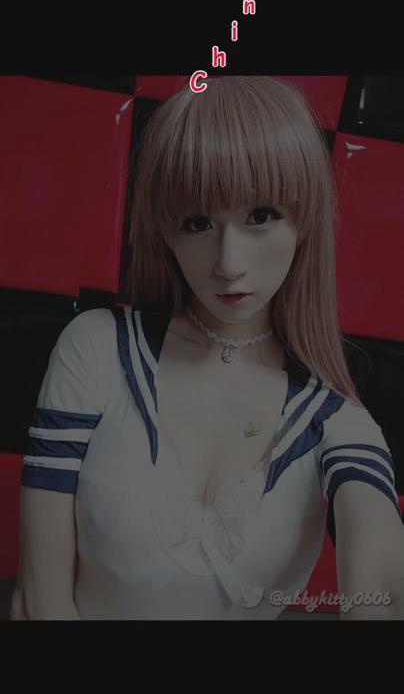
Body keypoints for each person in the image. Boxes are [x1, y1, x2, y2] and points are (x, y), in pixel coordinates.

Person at [10, 76, 404, 620]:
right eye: (198, 223)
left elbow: (382, 585)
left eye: (260, 216)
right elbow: (39, 598)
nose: (228, 263)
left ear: (304, 221)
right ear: (166, 232)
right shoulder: (99, 350)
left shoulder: (335, 422)